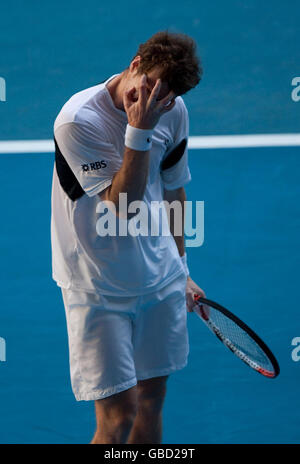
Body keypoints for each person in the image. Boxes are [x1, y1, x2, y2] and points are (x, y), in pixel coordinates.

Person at [51, 30, 205, 444]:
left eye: (168, 97)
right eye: (151, 87)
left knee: (152, 398)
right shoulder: (78, 120)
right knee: (118, 417)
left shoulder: (174, 110)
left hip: (160, 278)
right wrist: (139, 130)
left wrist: (182, 268)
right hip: (97, 286)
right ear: (135, 64)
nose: (157, 102)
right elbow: (122, 202)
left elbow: (173, 188)